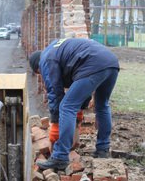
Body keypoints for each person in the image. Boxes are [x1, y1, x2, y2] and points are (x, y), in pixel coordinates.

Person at [29, 38, 120, 170]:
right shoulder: (57, 51)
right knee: (102, 105)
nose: (42, 75)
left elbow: (55, 92)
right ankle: (103, 149)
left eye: (40, 73)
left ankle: (60, 157)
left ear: (38, 67)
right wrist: (80, 110)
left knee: (66, 106)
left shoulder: (46, 60)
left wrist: (55, 125)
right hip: (111, 62)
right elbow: (80, 85)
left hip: (93, 65)